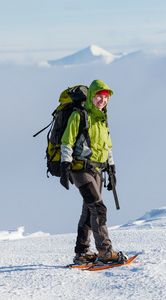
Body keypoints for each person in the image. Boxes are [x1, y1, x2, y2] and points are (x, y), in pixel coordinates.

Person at [59, 79, 124, 264]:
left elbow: (107, 146)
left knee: (89, 210)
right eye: (98, 96)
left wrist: (111, 170)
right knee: (98, 208)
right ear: (91, 97)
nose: (102, 100)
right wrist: (65, 168)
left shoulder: (102, 118)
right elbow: (67, 141)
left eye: (105, 98)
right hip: (80, 169)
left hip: (98, 170)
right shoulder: (79, 115)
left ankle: (82, 252)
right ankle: (104, 251)